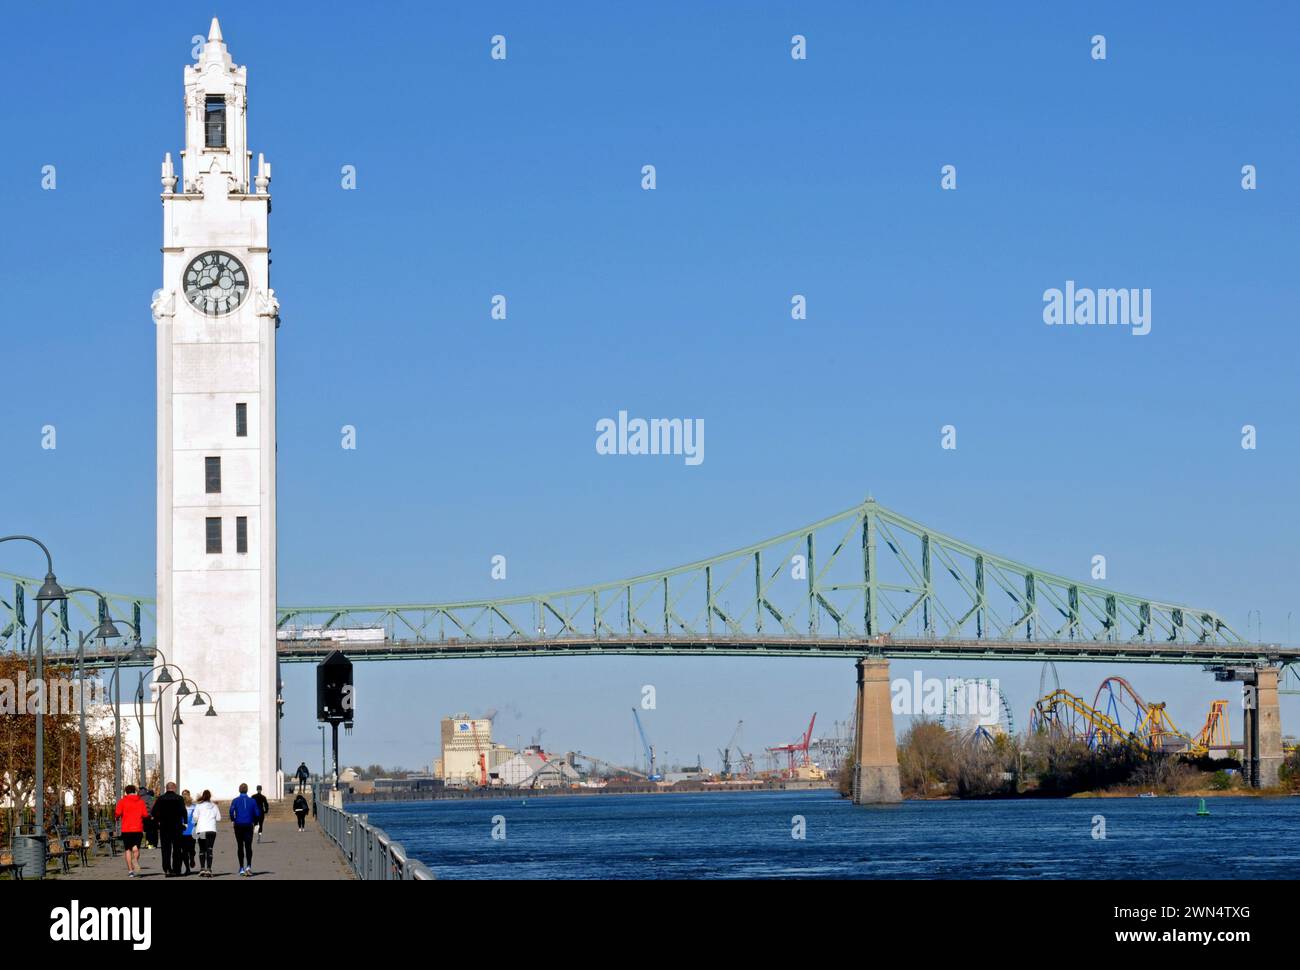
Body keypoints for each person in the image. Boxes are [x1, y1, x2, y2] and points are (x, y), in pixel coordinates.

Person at [151, 782, 187, 877]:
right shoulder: (179, 798)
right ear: (174, 788)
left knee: (166, 849)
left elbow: (154, 812)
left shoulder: (161, 799)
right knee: (177, 849)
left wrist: (158, 821)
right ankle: (177, 869)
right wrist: (185, 823)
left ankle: (167, 868)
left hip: (165, 827)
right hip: (177, 827)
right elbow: (184, 811)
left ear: (166, 788)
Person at [113, 784, 149, 877]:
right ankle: (135, 860)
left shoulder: (122, 801)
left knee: (128, 849)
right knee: (136, 848)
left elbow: (117, 813)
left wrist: (117, 817)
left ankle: (130, 871)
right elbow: (145, 815)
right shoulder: (141, 802)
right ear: (135, 791)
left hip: (126, 829)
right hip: (138, 828)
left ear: (126, 792)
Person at [228, 782, 262, 876]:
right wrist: (255, 822)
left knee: (240, 846)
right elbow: (257, 813)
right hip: (248, 825)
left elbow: (231, 811)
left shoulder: (235, 800)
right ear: (247, 790)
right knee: (248, 846)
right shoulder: (252, 801)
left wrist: (233, 819)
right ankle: (249, 866)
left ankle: (241, 867)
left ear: (239, 790)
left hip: (238, 824)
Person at [192, 790, 219, 877]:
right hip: (211, 830)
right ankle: (209, 869)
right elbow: (218, 818)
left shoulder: (198, 806)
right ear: (210, 796)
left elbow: (195, 817)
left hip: (201, 830)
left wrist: (198, 820)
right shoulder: (214, 806)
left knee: (202, 849)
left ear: (203, 796)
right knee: (209, 849)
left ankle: (202, 869)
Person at [180, 790, 197, 875]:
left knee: (191, 850)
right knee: (184, 851)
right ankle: (187, 869)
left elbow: (198, 818)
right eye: (183, 795)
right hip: (183, 831)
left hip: (192, 831)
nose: (185, 796)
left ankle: (192, 858)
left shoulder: (195, 806)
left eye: (186, 795)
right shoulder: (179, 806)